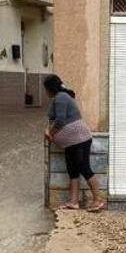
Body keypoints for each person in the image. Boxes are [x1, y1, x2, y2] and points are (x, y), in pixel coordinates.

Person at [44, 74, 105, 212]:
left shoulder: (61, 97)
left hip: (79, 139)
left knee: (84, 168)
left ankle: (98, 200)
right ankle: (73, 201)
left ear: (50, 88)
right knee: (72, 170)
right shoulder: (60, 97)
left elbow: (60, 120)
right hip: (71, 141)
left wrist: (50, 133)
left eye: (45, 88)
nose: (45, 91)